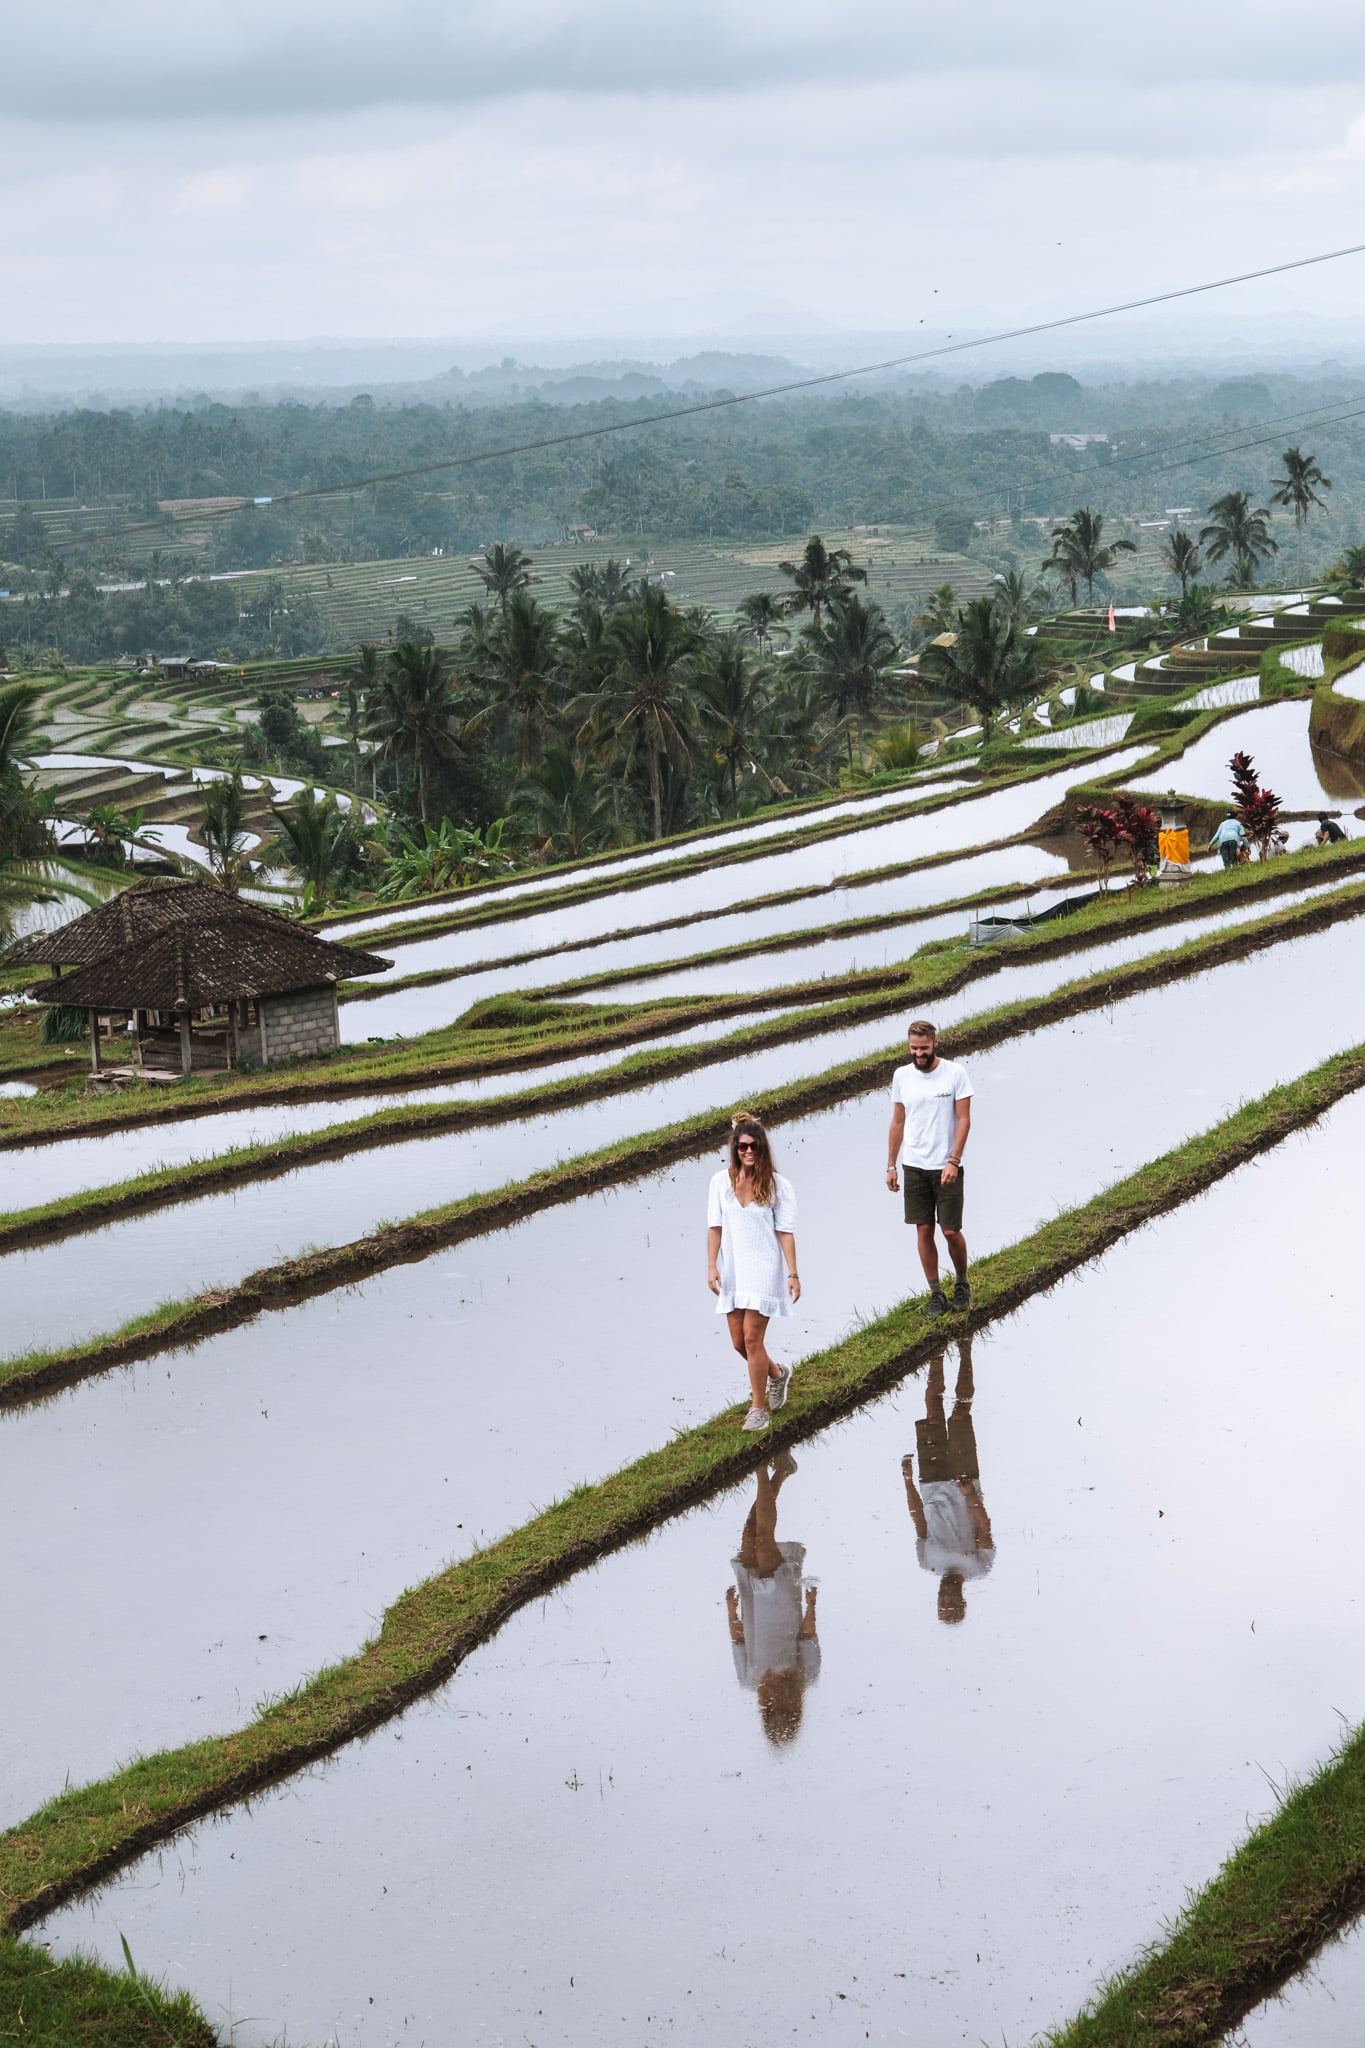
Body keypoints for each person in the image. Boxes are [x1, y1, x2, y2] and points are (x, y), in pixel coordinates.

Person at [707, 1112, 800, 1433]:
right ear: (734, 1148)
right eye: (742, 1146)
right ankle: (777, 1374)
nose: (748, 1151)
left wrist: (793, 1273)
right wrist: (711, 1267)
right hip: (733, 1271)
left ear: (763, 1148)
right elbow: (715, 1228)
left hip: (764, 1270)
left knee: (752, 1338)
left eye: (754, 1146)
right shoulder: (720, 1183)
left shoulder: (777, 1185)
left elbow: (785, 1232)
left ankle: (757, 1409)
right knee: (738, 1343)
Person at [726, 1448, 820, 1744]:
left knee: (749, 1534)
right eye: (782, 1713)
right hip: (781, 1604)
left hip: (754, 1605)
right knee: (764, 1539)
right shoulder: (806, 1677)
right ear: (792, 1708)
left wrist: (731, 1612)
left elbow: (739, 1643)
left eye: (772, 1716)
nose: (775, 1709)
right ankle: (760, 1469)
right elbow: (808, 1637)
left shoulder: (749, 1682)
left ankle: (781, 1472)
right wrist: (811, 1603)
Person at [901, 1337, 994, 1625]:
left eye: (943, 1604)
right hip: (964, 1480)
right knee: (959, 1414)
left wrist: (907, 1481)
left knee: (933, 1413)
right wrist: (969, 1494)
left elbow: (918, 1520)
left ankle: (936, 1354)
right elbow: (984, 1526)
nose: (947, 1598)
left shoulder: (927, 1562)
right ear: (962, 1600)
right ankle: (965, 1351)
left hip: (930, 1481)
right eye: (952, 1604)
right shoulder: (979, 1567)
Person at [885, 1019, 973, 1320]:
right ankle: (936, 1292)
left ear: (935, 1043)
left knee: (950, 1230)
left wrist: (954, 1160)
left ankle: (962, 1281)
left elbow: (964, 1120)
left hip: (946, 1166)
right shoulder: (902, 1076)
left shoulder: (955, 1073)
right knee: (923, 1229)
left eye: (923, 1048)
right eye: (913, 1048)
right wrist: (891, 1165)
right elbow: (898, 1121)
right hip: (914, 1166)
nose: (918, 1053)